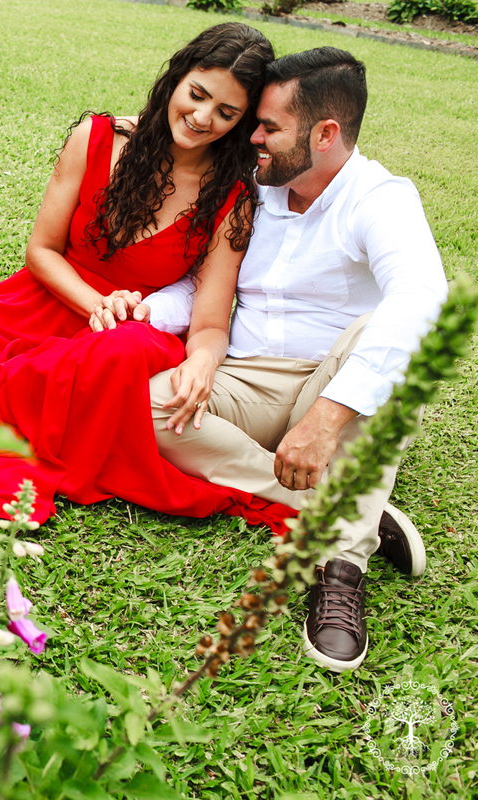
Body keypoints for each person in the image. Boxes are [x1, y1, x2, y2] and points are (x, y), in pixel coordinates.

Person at [0, 23, 295, 530]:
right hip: (50, 298)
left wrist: (202, 360)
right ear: (176, 79)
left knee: (119, 353)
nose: (201, 118)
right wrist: (94, 304)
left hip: (122, 334)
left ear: (242, 123)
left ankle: (9, 408)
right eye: (197, 95)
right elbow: (41, 251)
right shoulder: (98, 138)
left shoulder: (230, 197)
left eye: (225, 112)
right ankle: (14, 406)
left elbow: (211, 322)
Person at [136, 47, 447, 671]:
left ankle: (342, 568)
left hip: (331, 382)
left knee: (390, 337)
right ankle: (346, 506)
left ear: (325, 135)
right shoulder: (253, 185)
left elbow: (423, 296)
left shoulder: (379, 198)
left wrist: (326, 417)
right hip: (246, 378)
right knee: (146, 405)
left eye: (269, 127)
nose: (253, 137)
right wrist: (140, 308)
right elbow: (205, 283)